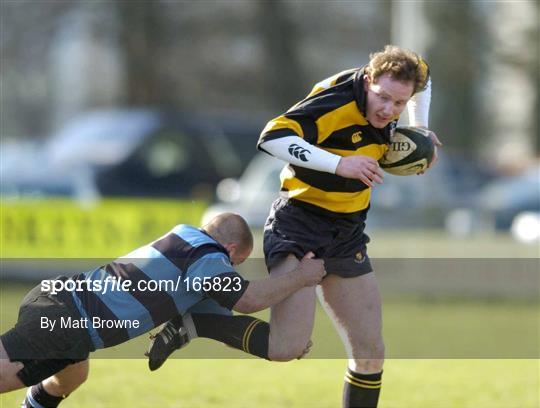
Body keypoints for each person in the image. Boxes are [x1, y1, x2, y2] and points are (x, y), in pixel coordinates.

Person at [254, 45, 442, 408]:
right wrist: (339, 165)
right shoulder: (335, 102)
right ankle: (200, 325)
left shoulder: (409, 76)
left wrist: (418, 128)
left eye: (399, 103)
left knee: (370, 353)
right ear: (368, 80)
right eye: (382, 98)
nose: (389, 110)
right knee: (286, 347)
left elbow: (425, 77)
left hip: (347, 229)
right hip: (299, 221)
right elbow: (272, 137)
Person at [0, 213, 325, 407]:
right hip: (67, 320)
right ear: (230, 250)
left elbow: (220, 321)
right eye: (235, 264)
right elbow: (247, 299)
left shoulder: (184, 237)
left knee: (71, 375)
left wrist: (287, 341)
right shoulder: (208, 258)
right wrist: (302, 277)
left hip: (62, 302)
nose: (231, 269)